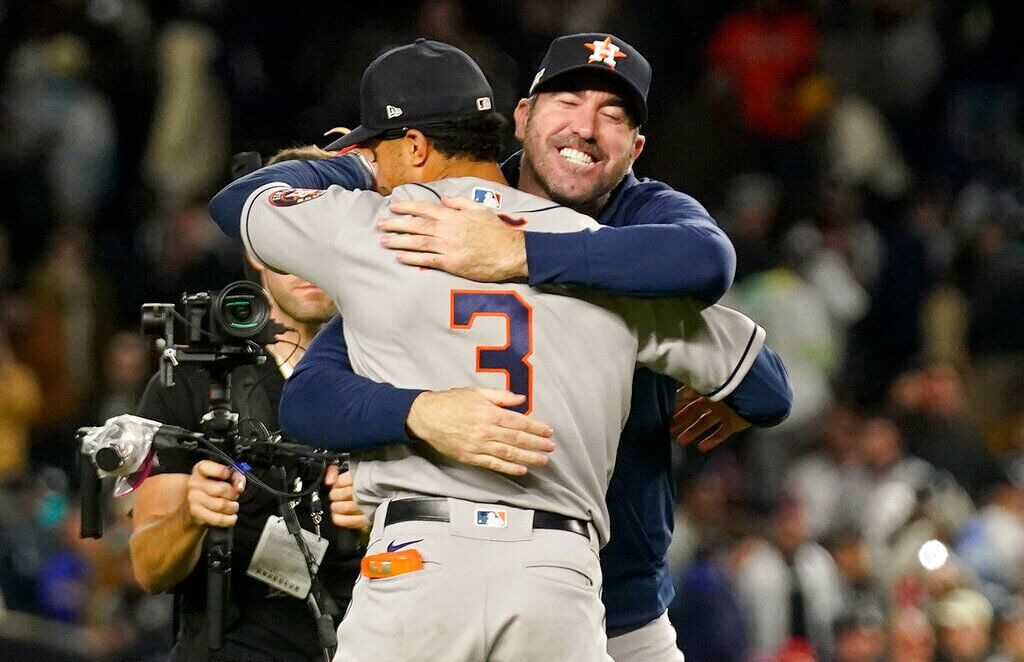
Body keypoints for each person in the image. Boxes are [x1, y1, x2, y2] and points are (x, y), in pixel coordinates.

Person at [208, 39, 777, 661]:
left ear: (414, 146)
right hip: (563, 574)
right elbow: (763, 382)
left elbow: (241, 203)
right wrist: (424, 410)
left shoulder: (389, 228)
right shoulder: (618, 257)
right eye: (567, 100)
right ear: (519, 118)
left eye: (613, 116)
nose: (585, 127)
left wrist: (359, 167)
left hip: (431, 564)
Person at [128, 147, 364, 662]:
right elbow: (148, 566)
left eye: (322, 240)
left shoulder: (394, 372)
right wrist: (191, 513)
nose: (306, 260)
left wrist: (386, 513)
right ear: (257, 251)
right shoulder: (194, 376)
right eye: (289, 239)